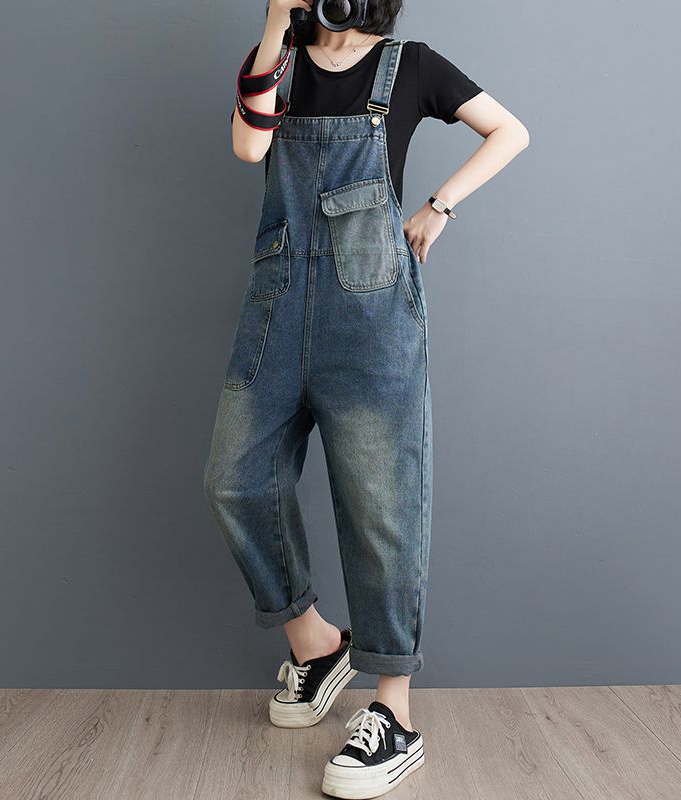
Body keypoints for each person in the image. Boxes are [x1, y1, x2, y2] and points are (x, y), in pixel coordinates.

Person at [204, 1, 529, 797]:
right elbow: (249, 147)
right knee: (234, 479)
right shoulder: (279, 58)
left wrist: (439, 206)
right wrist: (276, 23)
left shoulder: (409, 65)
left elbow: (510, 131)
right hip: (276, 305)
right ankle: (316, 645)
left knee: (381, 507)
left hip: (372, 316)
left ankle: (393, 715)